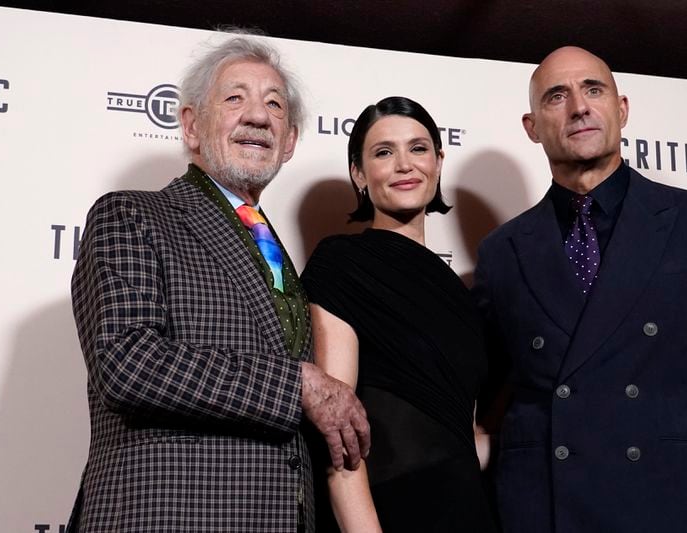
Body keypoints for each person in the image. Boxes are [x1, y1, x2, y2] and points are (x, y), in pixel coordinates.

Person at [473, 46, 687, 532]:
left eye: (593, 90)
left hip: (681, 511)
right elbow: (489, 403)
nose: (579, 106)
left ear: (621, 109)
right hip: (550, 513)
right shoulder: (502, 251)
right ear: (531, 126)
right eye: (556, 96)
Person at [68, 36, 370, 533]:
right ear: (190, 125)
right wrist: (297, 384)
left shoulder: (276, 254)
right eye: (235, 99)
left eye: (274, 104)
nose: (257, 116)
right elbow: (128, 362)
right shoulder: (131, 214)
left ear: (290, 140)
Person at [301, 96, 498, 532]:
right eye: (384, 152)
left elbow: (462, 429)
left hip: (467, 510)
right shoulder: (341, 264)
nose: (405, 165)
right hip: (389, 510)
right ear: (359, 173)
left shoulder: (463, 295)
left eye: (419, 148)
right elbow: (337, 440)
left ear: (439, 161)